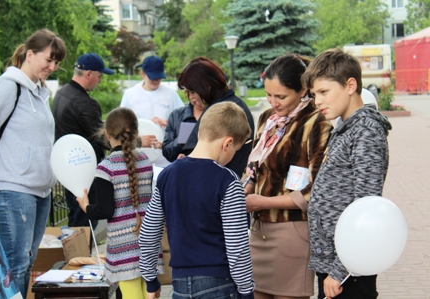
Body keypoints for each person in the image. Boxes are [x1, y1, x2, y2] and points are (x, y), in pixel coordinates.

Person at [139, 102, 255, 299]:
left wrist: (151, 279)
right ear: (227, 144)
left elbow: (149, 233)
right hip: (219, 284)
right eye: (235, 150)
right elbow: (237, 247)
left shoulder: (167, 175)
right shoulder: (228, 181)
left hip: (180, 284)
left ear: (200, 133)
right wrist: (246, 291)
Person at [301, 48, 392, 299]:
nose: (317, 101)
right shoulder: (345, 129)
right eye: (313, 94)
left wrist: (342, 270)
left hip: (348, 268)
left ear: (350, 85)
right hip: (334, 263)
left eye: (323, 92)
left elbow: (366, 206)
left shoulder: (366, 132)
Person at [0, 29, 66, 298]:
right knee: (14, 264)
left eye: (57, 63)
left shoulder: (40, 93)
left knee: (25, 263)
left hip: (39, 191)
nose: (52, 67)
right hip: (12, 187)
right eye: (48, 60)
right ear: (30, 55)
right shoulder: (8, 87)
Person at [244, 54, 332, 299]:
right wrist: (247, 186)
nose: (274, 102)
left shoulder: (317, 121)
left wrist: (263, 202)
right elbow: (255, 168)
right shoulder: (267, 119)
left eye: (281, 96)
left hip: (292, 230)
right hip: (259, 230)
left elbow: (316, 189)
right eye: (268, 95)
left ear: (303, 89)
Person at [76, 107, 164, 298]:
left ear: (107, 134)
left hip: (123, 249)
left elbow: (106, 210)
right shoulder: (144, 161)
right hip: (147, 243)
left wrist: (86, 207)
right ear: (136, 133)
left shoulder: (105, 169)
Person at [52, 53, 114, 229]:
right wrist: (134, 142)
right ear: (88, 74)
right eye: (99, 76)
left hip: (68, 168)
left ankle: (74, 255)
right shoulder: (85, 103)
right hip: (85, 170)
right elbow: (103, 139)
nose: (100, 81)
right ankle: (81, 256)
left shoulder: (61, 94)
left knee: (75, 219)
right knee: (85, 223)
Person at [175, 56, 254, 176]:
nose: (191, 97)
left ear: (207, 86)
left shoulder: (227, 111)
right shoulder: (226, 105)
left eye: (192, 91)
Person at [162, 86, 208, 161]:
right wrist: (181, 140)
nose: (198, 100)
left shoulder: (218, 115)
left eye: (202, 94)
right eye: (192, 93)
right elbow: (167, 152)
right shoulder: (176, 115)